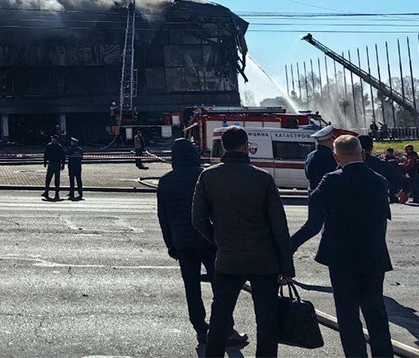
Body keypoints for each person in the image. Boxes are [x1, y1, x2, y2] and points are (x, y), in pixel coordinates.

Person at [192, 126, 294, 358]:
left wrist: (219, 240)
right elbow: (279, 225)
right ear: (245, 145)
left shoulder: (208, 176)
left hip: (228, 258)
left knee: (220, 315)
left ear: (224, 146)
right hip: (264, 260)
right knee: (266, 319)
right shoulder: (263, 178)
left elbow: (198, 219)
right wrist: (286, 266)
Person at [291, 135, 393, 358]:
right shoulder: (379, 181)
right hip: (373, 256)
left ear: (336, 157)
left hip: (342, 257)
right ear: (363, 153)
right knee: (376, 311)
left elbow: (313, 223)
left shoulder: (331, 181)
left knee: (347, 315)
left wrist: (289, 246)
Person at [158, 138, 247, 346]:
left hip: (182, 242)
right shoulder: (204, 174)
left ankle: (200, 329)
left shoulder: (166, 180)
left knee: (191, 287)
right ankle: (226, 329)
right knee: (220, 286)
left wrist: (170, 244)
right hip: (209, 239)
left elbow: (163, 217)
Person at [359, 135, 409, 204]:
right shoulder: (380, 164)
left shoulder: (343, 164)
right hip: (375, 205)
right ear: (371, 148)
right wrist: (405, 190)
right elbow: (399, 178)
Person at [305, 125, 338, 194]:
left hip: (312, 192)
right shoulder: (329, 157)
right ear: (327, 141)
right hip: (327, 194)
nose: (335, 139)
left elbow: (308, 175)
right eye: (333, 138)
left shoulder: (310, 156)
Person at [41, 134, 65, 201]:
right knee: (56, 179)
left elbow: (45, 154)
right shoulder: (59, 146)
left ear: (54, 139)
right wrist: (63, 164)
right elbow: (63, 156)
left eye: (52, 138)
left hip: (52, 163)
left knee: (48, 178)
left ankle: (47, 192)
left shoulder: (49, 146)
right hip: (57, 163)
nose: (52, 139)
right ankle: (56, 194)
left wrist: (45, 162)